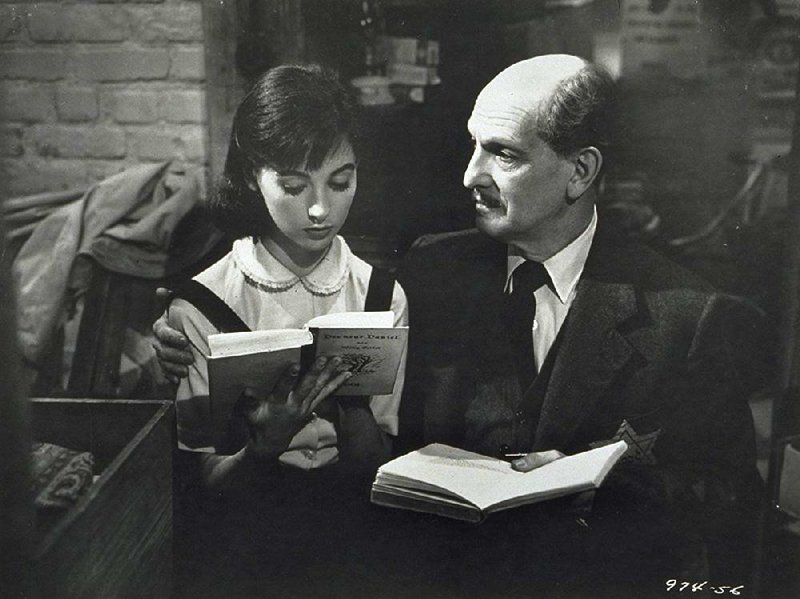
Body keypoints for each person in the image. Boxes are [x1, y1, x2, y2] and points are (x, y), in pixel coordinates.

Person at [155, 55, 763, 596]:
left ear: (580, 172)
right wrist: (173, 346)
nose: (470, 175)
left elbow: (730, 508)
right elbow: (310, 289)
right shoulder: (428, 271)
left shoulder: (688, 316)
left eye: (503, 153)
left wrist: (608, 482)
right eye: (472, 147)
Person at [164, 63, 407, 491]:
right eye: (294, 187)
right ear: (251, 177)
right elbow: (200, 482)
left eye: (340, 182)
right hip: (248, 525)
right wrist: (263, 446)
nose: (319, 210)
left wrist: (353, 410)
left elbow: (380, 462)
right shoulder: (200, 307)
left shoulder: (383, 297)